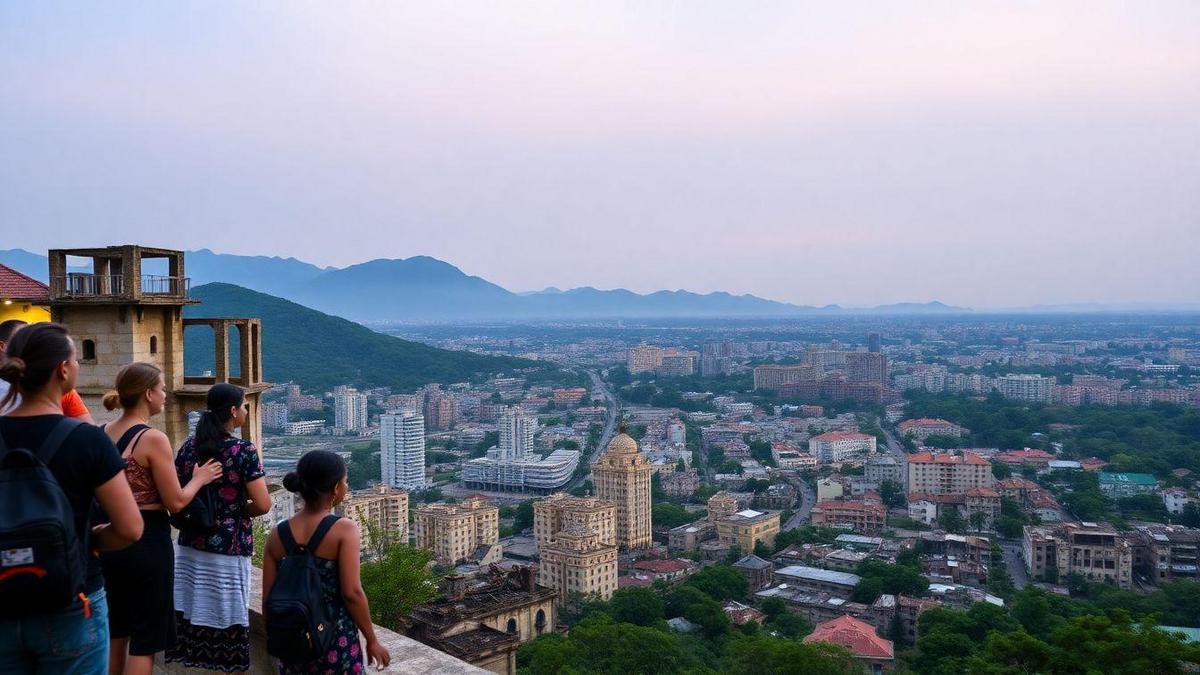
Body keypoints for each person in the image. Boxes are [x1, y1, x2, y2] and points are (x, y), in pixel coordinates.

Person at [0, 322, 144, 673]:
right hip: (70, 598)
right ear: (63, 370)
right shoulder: (87, 439)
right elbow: (130, 528)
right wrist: (84, 541)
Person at [98, 362, 224, 675]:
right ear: (148, 393)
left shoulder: (101, 433)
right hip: (147, 541)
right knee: (145, 639)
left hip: (107, 538)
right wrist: (200, 478)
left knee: (115, 632)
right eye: (163, 388)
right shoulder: (152, 439)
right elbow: (176, 502)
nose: (166, 395)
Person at [165, 383, 271, 674]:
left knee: (192, 609)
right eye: (244, 406)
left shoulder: (188, 448)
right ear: (234, 411)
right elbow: (263, 504)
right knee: (226, 617)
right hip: (228, 547)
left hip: (190, 546)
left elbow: (176, 493)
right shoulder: (242, 450)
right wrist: (237, 512)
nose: (247, 411)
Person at [263, 450, 391, 673]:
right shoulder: (344, 529)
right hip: (333, 641)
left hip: (293, 643)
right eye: (346, 481)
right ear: (335, 488)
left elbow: (268, 600)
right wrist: (371, 639)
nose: (347, 486)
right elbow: (352, 593)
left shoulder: (277, 535)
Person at [0, 319, 95, 422]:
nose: (28, 344)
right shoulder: (57, 387)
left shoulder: (61, 391)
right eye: (20, 341)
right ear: (63, 369)